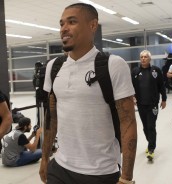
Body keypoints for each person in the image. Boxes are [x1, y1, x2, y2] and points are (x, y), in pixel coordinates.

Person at [39, 3, 137, 184]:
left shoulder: (113, 65)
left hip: (101, 172)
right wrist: (45, 158)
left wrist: (126, 178)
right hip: (59, 168)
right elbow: (51, 117)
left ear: (92, 25)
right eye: (61, 24)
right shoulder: (53, 67)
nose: (64, 29)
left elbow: (128, 122)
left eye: (72, 22)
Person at [132, 50, 167, 161]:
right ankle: (150, 142)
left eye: (145, 57)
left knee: (151, 126)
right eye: (141, 57)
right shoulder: (135, 71)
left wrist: (164, 99)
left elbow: (162, 85)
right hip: (141, 104)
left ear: (150, 59)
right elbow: (130, 86)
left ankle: (151, 149)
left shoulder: (155, 70)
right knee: (145, 127)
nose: (143, 58)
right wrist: (132, 97)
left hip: (153, 104)